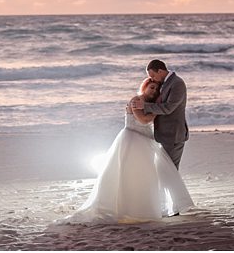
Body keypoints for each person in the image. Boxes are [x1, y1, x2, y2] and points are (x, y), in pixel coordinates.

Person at [67, 77, 193, 223]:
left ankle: (146, 207)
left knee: (144, 175)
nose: (154, 91)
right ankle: (125, 208)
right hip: (133, 139)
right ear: (145, 86)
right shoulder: (135, 100)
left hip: (146, 140)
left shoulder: (150, 104)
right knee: (129, 174)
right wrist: (159, 110)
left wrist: (156, 108)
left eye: (157, 89)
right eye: (151, 87)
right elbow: (143, 120)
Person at [129, 59, 188, 169]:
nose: (152, 79)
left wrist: (144, 106)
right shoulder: (164, 83)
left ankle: (174, 187)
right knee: (164, 170)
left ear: (160, 71)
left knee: (170, 170)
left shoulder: (177, 83)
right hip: (163, 135)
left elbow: (168, 108)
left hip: (173, 135)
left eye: (153, 75)